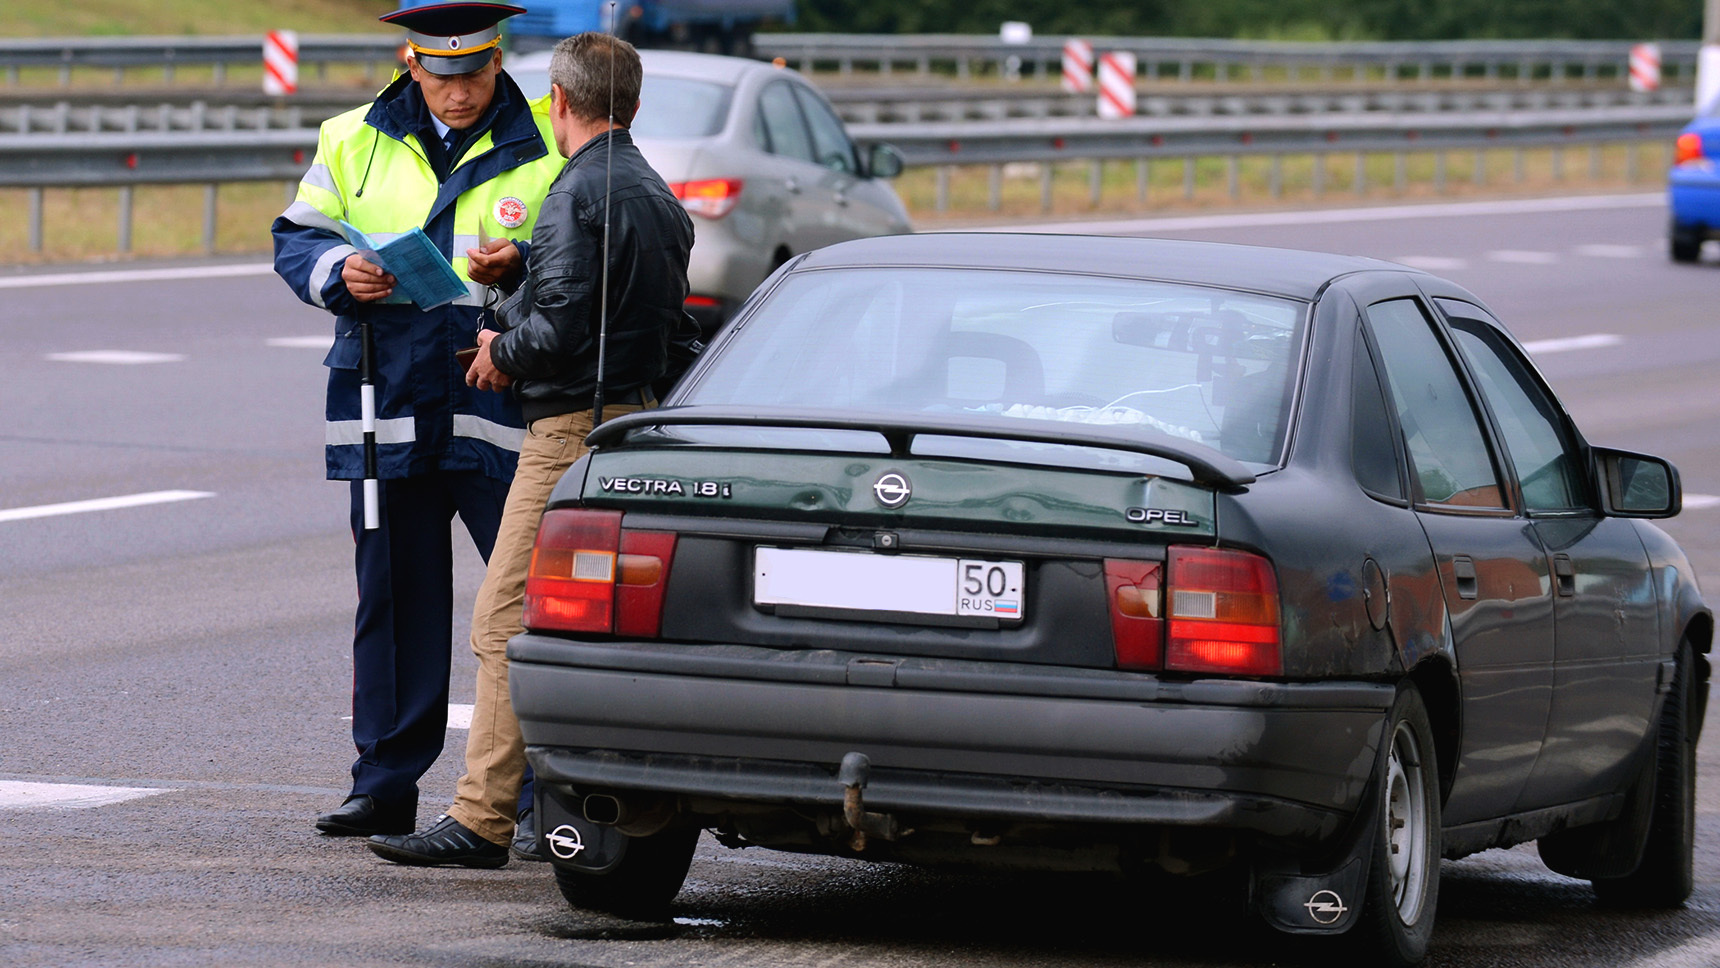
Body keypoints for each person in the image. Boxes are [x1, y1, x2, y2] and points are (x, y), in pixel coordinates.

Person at [368, 31, 698, 868]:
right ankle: (557, 800)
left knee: (503, 619)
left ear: (559, 98)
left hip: (565, 431)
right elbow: (620, 313)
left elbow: (566, 328)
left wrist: (496, 348)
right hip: (633, 420)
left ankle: (483, 817)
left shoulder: (578, 190)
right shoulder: (651, 192)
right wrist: (520, 272)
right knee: (581, 625)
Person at [271, 2, 566, 842]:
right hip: (386, 396)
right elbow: (298, 235)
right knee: (393, 599)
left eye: (475, 75)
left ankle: (545, 792)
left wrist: (525, 262)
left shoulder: (546, 137)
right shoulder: (351, 136)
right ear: (411, 64)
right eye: (442, 77)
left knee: (529, 607)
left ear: (497, 62)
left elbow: (585, 248)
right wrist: (339, 270)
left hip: (499, 401)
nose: (460, 93)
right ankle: (384, 783)